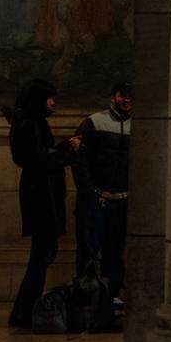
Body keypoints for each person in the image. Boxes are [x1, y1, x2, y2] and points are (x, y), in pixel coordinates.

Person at [3, 79, 82, 329]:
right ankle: (23, 312)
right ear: (39, 100)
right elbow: (41, 160)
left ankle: (24, 310)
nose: (53, 102)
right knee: (41, 256)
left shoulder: (30, 123)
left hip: (42, 194)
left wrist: (64, 149)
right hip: (42, 196)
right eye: (50, 98)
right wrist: (69, 149)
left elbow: (42, 155)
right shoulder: (29, 124)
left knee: (44, 254)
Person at [74, 80, 132, 302]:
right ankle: (85, 298)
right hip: (97, 199)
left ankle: (112, 297)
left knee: (115, 253)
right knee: (88, 250)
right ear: (113, 97)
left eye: (130, 96)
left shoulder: (140, 124)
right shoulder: (93, 122)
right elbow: (79, 160)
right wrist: (88, 192)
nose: (127, 100)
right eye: (122, 95)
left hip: (123, 200)